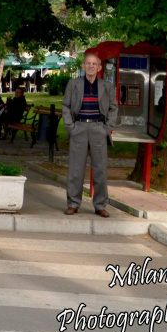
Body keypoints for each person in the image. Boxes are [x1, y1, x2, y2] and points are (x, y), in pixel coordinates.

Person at [62, 51, 118, 217]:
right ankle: (73, 204)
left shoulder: (107, 86)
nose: (91, 66)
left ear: (99, 67)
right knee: (75, 170)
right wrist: (70, 127)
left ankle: (100, 205)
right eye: (88, 63)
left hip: (98, 129)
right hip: (78, 128)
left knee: (100, 170)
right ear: (83, 66)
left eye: (94, 64)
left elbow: (113, 108)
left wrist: (107, 128)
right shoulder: (73, 84)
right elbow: (66, 106)